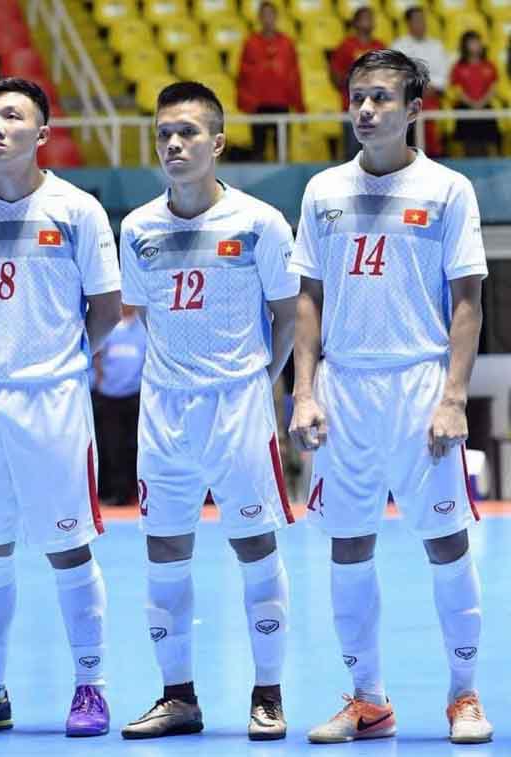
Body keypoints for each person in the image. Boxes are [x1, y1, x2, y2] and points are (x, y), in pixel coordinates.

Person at [288, 50, 493, 745]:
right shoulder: (322, 190)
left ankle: (463, 695)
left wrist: (454, 396)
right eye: (358, 97)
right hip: (344, 390)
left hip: (419, 385)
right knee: (348, 545)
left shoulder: (447, 189)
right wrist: (304, 392)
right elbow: (308, 298)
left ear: (414, 109)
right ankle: (368, 701)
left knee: (446, 543)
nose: (367, 109)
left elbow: (467, 301)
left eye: (381, 97)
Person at [0, 77, 122, 738]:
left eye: (12, 116)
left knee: (68, 546)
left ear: (42, 133)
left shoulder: (76, 210)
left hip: (54, 400)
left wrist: (57, 358)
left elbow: (106, 309)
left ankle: (91, 686)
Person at [119, 81, 300, 741]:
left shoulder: (260, 222)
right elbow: (143, 314)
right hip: (164, 411)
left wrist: (257, 382)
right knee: (165, 550)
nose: (174, 144)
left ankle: (268, 694)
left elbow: (288, 316)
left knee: (255, 546)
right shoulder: (137, 228)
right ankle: (178, 697)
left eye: (188, 132)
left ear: (218, 143)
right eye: (165, 133)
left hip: (238, 406)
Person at [237, 0, 305, 161]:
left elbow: (294, 74)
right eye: (264, 15)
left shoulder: (287, 43)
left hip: (281, 103)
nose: (267, 18)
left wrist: (299, 104)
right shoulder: (250, 43)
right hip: (258, 104)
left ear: (276, 17)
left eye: (270, 14)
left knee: (282, 152)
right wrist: (246, 102)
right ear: (259, 18)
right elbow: (243, 74)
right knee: (258, 152)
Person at [93, 303, 146, 505]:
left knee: (138, 446)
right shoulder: (110, 326)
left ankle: (138, 491)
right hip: (110, 395)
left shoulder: (143, 326)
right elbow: (96, 355)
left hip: (135, 394)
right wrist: (99, 379)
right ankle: (118, 492)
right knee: (113, 447)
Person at [392, 6, 448, 156]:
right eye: (417, 20)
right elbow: (397, 74)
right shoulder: (399, 46)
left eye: (423, 20)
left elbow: (443, 73)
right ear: (408, 23)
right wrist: (417, 88)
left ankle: (435, 156)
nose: (421, 24)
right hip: (408, 97)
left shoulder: (436, 46)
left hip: (433, 95)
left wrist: (431, 87)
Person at [330, 7, 385, 159]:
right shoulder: (345, 46)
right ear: (355, 23)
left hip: (377, 110)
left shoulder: (380, 46)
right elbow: (335, 76)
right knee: (353, 155)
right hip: (353, 109)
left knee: (377, 155)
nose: (370, 21)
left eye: (371, 18)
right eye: (365, 18)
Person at [451, 31, 500, 156]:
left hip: (485, 107)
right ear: (465, 45)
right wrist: (471, 103)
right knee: (469, 145)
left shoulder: (489, 65)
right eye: (472, 42)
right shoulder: (458, 67)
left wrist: (482, 102)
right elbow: (456, 89)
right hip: (465, 108)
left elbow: (493, 87)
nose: (476, 45)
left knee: (490, 143)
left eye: (477, 42)